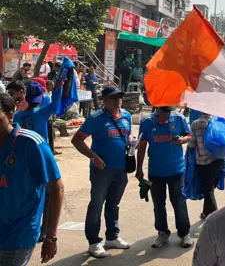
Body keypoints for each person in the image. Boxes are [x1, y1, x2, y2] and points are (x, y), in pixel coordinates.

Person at [0, 93, 64, 266]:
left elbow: (57, 188)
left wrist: (51, 236)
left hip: (19, 236)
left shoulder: (31, 143)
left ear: (10, 115)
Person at [71, 86, 132, 258]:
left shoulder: (126, 116)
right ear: (105, 100)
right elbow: (77, 140)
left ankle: (112, 237)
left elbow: (127, 138)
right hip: (102, 170)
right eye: (113, 98)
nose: (118, 100)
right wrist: (94, 157)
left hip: (121, 169)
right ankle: (93, 242)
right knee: (96, 205)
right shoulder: (95, 118)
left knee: (114, 204)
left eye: (119, 97)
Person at [136, 106, 193, 248]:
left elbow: (189, 135)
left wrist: (182, 140)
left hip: (176, 169)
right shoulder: (147, 122)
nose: (166, 115)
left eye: (169, 112)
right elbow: (142, 146)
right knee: (158, 204)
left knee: (179, 201)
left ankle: (184, 233)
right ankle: (162, 233)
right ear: (157, 109)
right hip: (156, 171)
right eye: (164, 112)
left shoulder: (178, 119)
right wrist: (139, 169)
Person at [188, 112, 225, 219]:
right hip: (218, 160)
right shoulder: (219, 121)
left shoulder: (196, 124)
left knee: (208, 189)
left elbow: (191, 144)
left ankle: (216, 218)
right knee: (210, 188)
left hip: (203, 162)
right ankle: (206, 213)